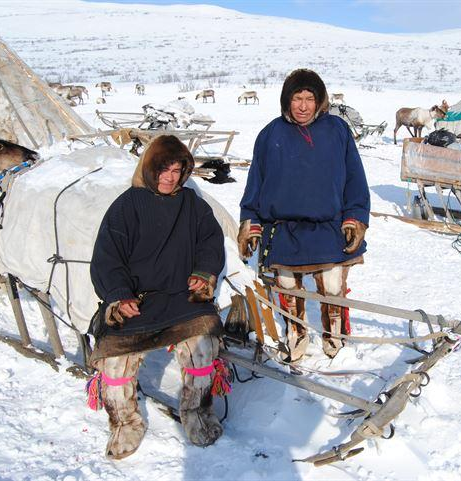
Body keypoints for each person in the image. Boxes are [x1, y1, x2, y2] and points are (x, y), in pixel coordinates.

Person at [89, 135, 226, 460]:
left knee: (202, 350)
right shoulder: (126, 206)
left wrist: (205, 273)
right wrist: (119, 295)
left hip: (182, 299)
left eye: (178, 170)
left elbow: (211, 241)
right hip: (137, 301)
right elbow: (107, 257)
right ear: (149, 168)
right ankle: (125, 424)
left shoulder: (193, 205)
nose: (170, 177)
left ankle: (197, 416)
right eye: (163, 169)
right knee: (115, 362)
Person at [238, 69, 370, 362]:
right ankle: (295, 335)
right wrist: (251, 222)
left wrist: (356, 217)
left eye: (310, 98)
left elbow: (355, 179)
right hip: (283, 231)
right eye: (297, 98)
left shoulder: (337, 130)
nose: (303, 106)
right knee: (288, 289)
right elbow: (256, 184)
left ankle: (334, 335)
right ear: (287, 100)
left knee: (333, 288)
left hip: (329, 228)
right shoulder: (270, 134)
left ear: (319, 100)